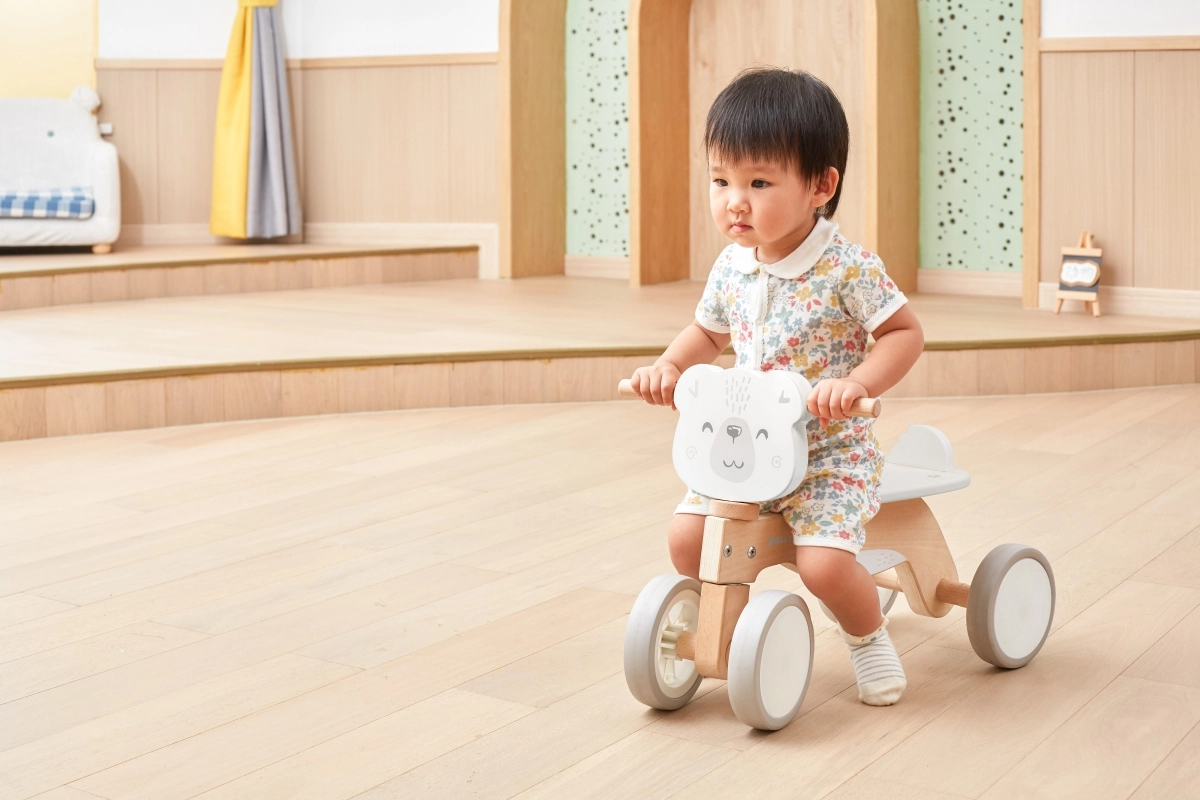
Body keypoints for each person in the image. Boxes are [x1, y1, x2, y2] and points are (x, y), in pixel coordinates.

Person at [630, 68, 924, 706]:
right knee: (688, 538)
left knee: (823, 567)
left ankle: (867, 635)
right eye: (721, 181)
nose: (734, 201)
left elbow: (904, 333)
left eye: (758, 183)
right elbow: (706, 333)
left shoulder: (846, 267)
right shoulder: (731, 266)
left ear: (820, 186)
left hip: (826, 455)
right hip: (745, 448)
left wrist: (855, 382)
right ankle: (728, 633)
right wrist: (668, 367)